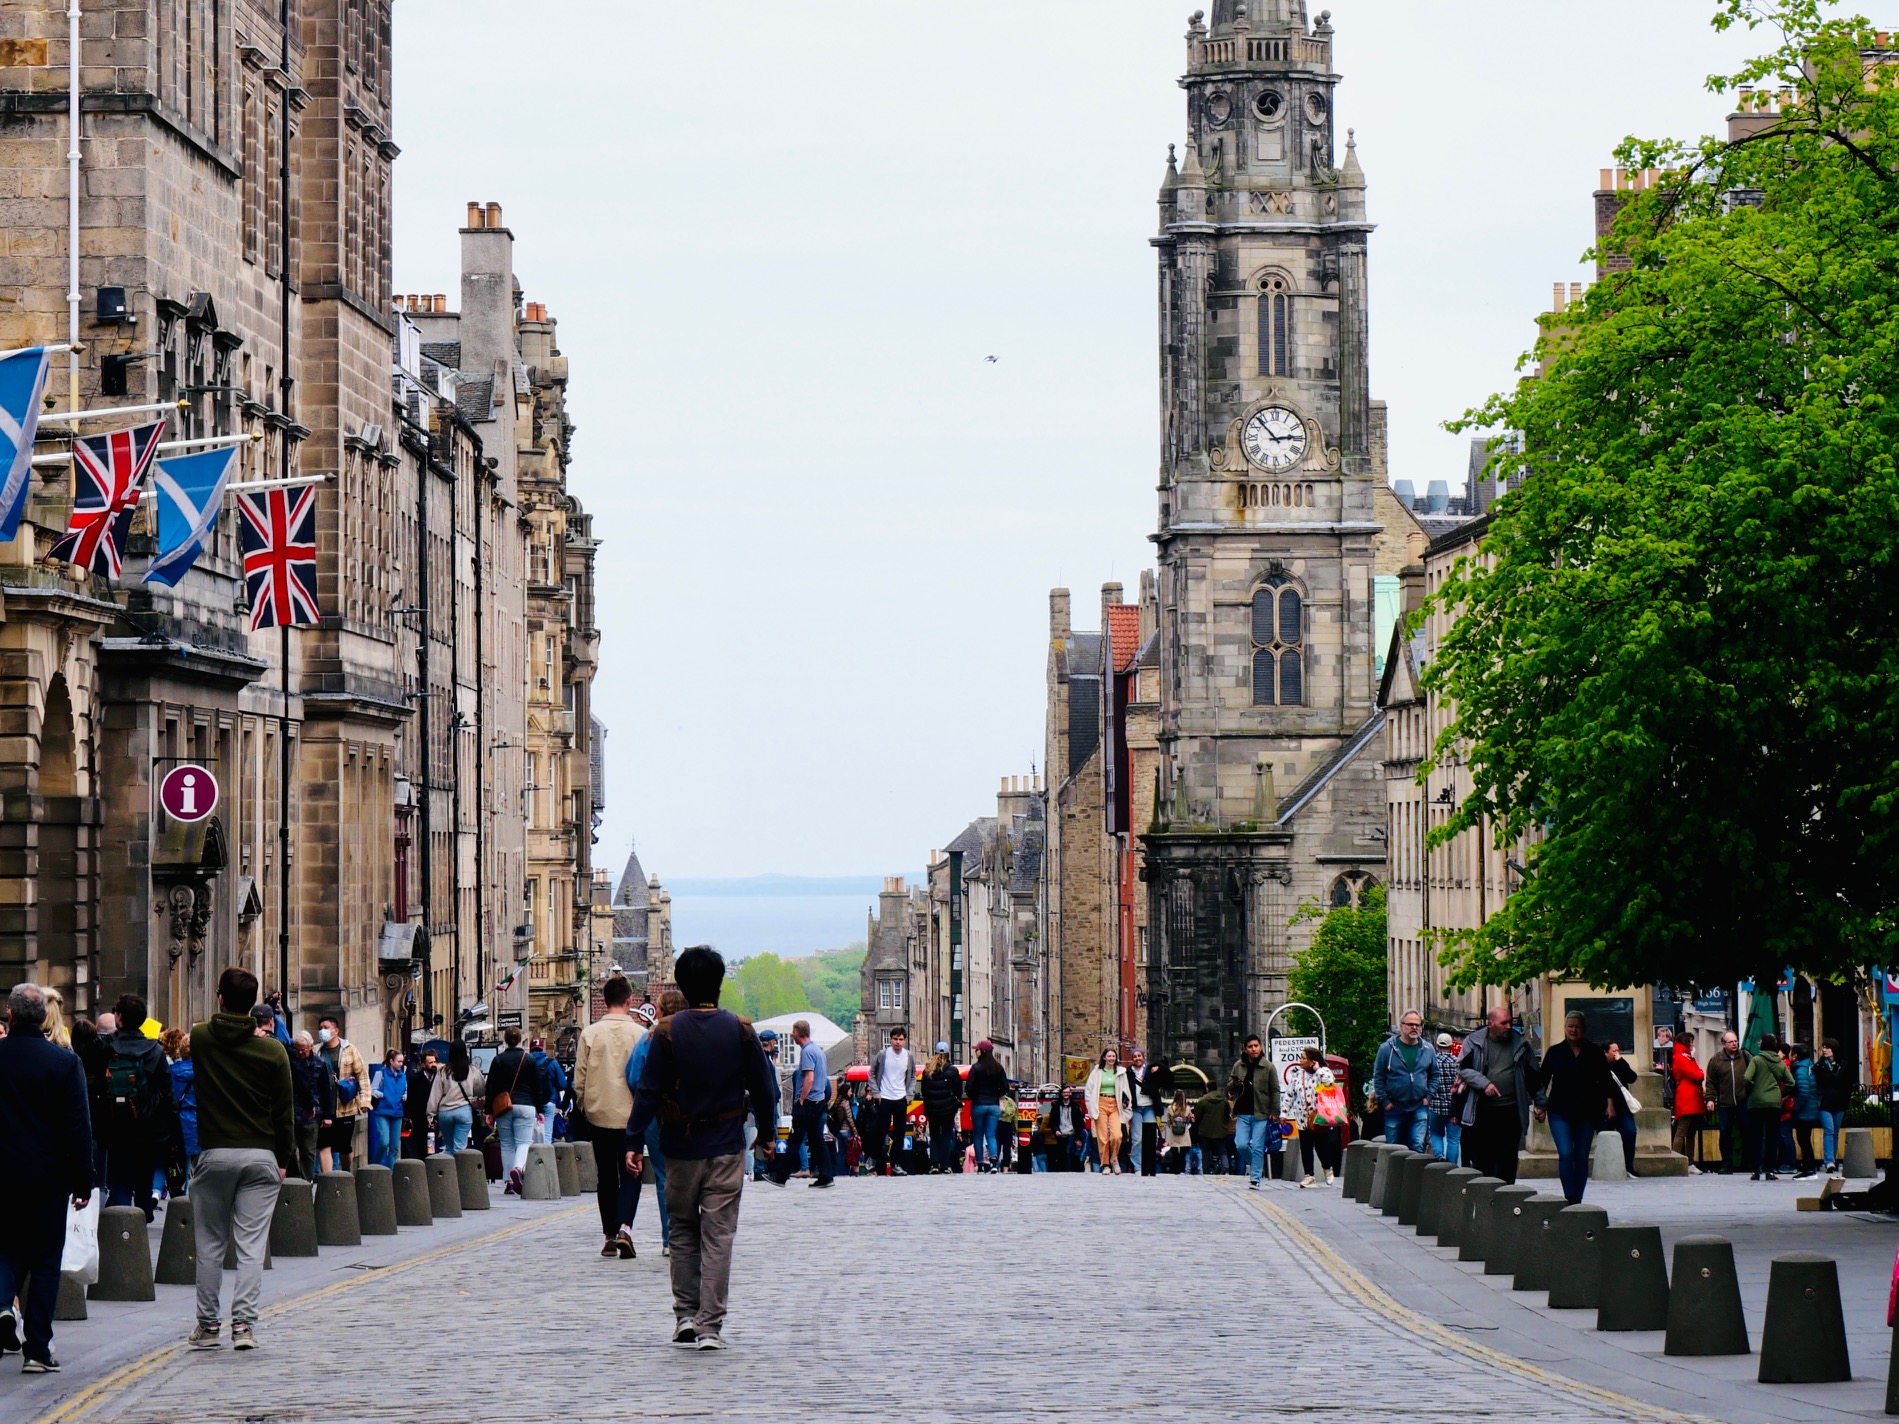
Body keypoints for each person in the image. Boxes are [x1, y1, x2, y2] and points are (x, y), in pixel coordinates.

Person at [625, 944, 778, 1351]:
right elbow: (764, 1090)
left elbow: (648, 1090)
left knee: (682, 1231)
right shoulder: (741, 1030)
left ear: (684, 986)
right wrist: (766, 1133)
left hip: (679, 1146)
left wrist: (633, 1138)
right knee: (719, 1235)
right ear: (720, 984)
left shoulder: (668, 1032)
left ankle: (685, 1315)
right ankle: (710, 1324)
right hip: (727, 1146)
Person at [186, 966, 295, 1353]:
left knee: (210, 1244)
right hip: (262, 1155)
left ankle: (208, 1326)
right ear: (254, 1006)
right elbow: (285, 1112)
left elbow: (201, 1035)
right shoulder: (273, 1051)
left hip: (214, 1153)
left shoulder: (201, 1038)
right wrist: (284, 1159)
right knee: (251, 1247)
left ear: (219, 998)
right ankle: (244, 1325)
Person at [0, 984, 93, 1374]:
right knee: (44, 1261)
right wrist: (84, 1179)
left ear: (10, 1014)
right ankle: (37, 1348)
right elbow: (78, 1125)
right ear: (42, 1019)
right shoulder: (63, 1062)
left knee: (3, 1248)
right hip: (47, 1176)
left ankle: (4, 1304)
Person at [573, 972, 647, 1257]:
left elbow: (579, 1079)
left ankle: (608, 1235)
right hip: (632, 1116)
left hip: (599, 1113)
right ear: (630, 1001)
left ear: (604, 1001)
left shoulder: (590, 1034)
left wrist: (585, 1105)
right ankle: (625, 1228)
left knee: (606, 1176)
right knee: (632, 1172)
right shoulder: (640, 1034)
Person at [100, 993, 177, 1220]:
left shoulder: (106, 1047)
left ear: (119, 1017)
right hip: (148, 1129)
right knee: (144, 1180)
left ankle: (124, 1232)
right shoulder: (155, 1050)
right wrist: (172, 1134)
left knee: (120, 1182)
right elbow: (167, 1095)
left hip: (115, 1127)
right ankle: (140, 1225)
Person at [1538, 1011, 1617, 1203]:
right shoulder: (1555, 1052)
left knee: (1581, 1156)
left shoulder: (1594, 1051)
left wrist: (1610, 1103)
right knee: (1566, 1153)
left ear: (1584, 1029)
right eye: (1570, 1026)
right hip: (1559, 1110)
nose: (1574, 1030)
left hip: (1587, 1111)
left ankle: (1577, 1199)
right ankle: (1569, 1196)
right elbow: (1542, 1079)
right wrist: (1539, 1104)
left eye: (1578, 1026)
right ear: (1565, 1028)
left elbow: (1606, 1079)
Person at [1456, 1004, 1538, 1185]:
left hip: (1510, 1110)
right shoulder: (1474, 1041)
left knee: (1508, 1158)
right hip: (1482, 1110)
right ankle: (1485, 1196)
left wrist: (1540, 1103)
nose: (1509, 1026)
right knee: (1483, 1158)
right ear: (1491, 1023)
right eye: (1504, 1023)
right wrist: (1485, 1084)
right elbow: (1463, 1068)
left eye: (1510, 1022)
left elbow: (1533, 1075)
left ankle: (1505, 1197)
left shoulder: (1520, 1043)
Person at [626, 994, 681, 1253]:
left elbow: (634, 1077)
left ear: (659, 1011)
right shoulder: (692, 1037)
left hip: (656, 1114)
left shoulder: (648, 1039)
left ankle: (670, 1238)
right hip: (689, 1113)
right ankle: (692, 1233)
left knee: (664, 1176)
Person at [771, 1020, 834, 1188]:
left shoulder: (807, 1052)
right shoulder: (818, 1051)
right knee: (817, 1140)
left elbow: (809, 1078)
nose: (792, 1036)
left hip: (808, 1102)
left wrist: (801, 1100)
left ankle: (780, 1176)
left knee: (795, 1139)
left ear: (798, 1033)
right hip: (819, 1102)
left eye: (793, 1033)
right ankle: (827, 1176)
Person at [487, 1027, 544, 1194]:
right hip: (526, 1105)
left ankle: (509, 1183)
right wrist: (539, 1110)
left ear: (505, 1040)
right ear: (520, 1039)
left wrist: (489, 1111)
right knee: (524, 1142)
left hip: (504, 1106)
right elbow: (537, 1087)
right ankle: (518, 1169)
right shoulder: (529, 1059)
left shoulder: (498, 1060)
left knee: (507, 1144)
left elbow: (491, 1086)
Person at [1373, 1009, 1432, 1153]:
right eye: (1410, 1024)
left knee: (1418, 1146)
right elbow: (1378, 1076)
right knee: (1392, 1148)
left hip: (1419, 1105)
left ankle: (1415, 1176)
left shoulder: (1427, 1049)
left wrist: (1429, 1096)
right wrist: (1385, 1101)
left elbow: (1435, 1075)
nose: (1414, 1028)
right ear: (1401, 1026)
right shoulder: (1387, 1049)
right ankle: (1393, 1176)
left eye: (1417, 1025)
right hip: (1394, 1107)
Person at [1227, 1035, 1281, 1189]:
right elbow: (1228, 1088)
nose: (1253, 1049)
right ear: (1245, 1049)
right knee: (1241, 1144)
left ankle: (1255, 1178)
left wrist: (1275, 1111)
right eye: (1250, 1046)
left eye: (1256, 1046)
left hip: (1261, 1112)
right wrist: (1234, 1084)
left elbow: (1275, 1090)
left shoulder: (1268, 1067)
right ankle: (1257, 1165)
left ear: (1261, 1047)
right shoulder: (1239, 1065)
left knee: (1258, 1146)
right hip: (1243, 1112)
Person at [314, 1015, 367, 1172]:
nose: (322, 1031)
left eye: (325, 1028)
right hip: (325, 1108)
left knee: (344, 1147)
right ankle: (328, 1180)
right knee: (324, 1145)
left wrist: (364, 1100)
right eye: (320, 1028)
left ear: (335, 1031)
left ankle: (345, 1173)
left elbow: (362, 1075)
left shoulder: (350, 1050)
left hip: (346, 1106)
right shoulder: (316, 1051)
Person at [1742, 1033, 1794, 1181]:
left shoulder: (1756, 1060)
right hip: (1774, 1103)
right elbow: (1791, 1082)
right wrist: (1780, 1092)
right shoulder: (1779, 1062)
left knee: (1756, 1137)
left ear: (1763, 1044)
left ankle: (1756, 1171)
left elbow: (1746, 1078)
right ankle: (1770, 1171)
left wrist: (1752, 1088)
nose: (1758, 1042)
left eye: (1760, 1041)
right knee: (1772, 1137)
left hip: (1756, 1103)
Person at [866, 1028, 915, 1176]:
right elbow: (872, 1073)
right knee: (881, 1131)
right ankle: (873, 1157)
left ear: (904, 1040)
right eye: (895, 1039)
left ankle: (896, 1164)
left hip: (900, 1097)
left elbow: (912, 1075)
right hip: (885, 1097)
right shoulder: (883, 1054)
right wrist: (876, 1092)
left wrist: (909, 1093)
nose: (898, 1042)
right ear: (891, 1040)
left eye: (900, 1039)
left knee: (900, 1133)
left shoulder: (909, 1056)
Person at [288, 1031, 336, 1180]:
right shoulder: (290, 1061)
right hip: (291, 1113)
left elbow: (326, 1090)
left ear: (310, 1047)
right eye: (298, 1048)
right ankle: (295, 1178)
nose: (301, 1052)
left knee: (308, 1151)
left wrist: (328, 1115)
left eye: (304, 1048)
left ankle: (306, 1181)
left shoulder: (320, 1064)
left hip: (312, 1114)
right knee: (290, 1148)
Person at [427, 1041, 484, 1157]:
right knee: (460, 1147)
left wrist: (430, 1114)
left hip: (445, 1113)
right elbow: (481, 1090)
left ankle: (448, 1173)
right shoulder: (472, 1070)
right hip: (464, 1111)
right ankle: (459, 1173)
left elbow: (435, 1094)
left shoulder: (443, 1071)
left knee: (448, 1147)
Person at [1703, 1031, 1748, 1174]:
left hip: (1743, 1102)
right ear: (1724, 1044)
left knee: (1748, 1131)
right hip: (1725, 1103)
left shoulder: (1746, 1057)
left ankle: (1748, 1162)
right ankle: (1726, 1163)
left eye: (1735, 1041)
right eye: (1731, 1042)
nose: (1734, 1044)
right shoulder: (1716, 1060)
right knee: (1725, 1134)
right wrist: (1710, 1099)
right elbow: (1710, 1082)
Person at [1666, 1028, 1707, 1171]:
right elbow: (1697, 1075)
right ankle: (1678, 1161)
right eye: (1690, 1041)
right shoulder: (1682, 1057)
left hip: (1692, 1099)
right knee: (1682, 1130)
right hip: (1687, 1099)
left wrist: (1699, 1072)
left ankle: (1689, 1162)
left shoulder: (1685, 1056)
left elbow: (1698, 1073)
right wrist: (1700, 1072)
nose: (1692, 1044)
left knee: (1690, 1132)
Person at [921, 1043, 964, 1174]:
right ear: (948, 1054)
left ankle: (934, 1164)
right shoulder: (951, 1070)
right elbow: (958, 1089)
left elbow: (924, 1090)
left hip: (932, 1108)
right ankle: (945, 1165)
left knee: (934, 1136)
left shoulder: (927, 1070)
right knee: (946, 1136)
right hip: (947, 1108)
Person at [966, 1040, 1008, 1173]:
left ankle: (979, 1164)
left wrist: (974, 1095)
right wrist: (996, 1094)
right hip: (993, 1105)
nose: (975, 1052)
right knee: (991, 1135)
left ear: (982, 1051)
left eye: (977, 1049)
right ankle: (994, 1162)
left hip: (978, 1104)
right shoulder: (998, 1068)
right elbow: (1005, 1087)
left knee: (978, 1135)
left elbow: (968, 1087)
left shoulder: (976, 1068)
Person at [163, 1028, 200, 1180]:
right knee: (198, 1165)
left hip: (177, 1120)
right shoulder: (204, 1072)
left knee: (180, 1162)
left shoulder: (170, 1071)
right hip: (199, 1120)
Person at [1083, 1047, 1126, 1176]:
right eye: (1109, 1056)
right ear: (1104, 1057)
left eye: (1113, 1056)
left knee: (1117, 1136)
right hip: (1100, 1102)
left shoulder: (1120, 1072)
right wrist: (1090, 1106)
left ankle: (1114, 1159)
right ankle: (1105, 1164)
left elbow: (1125, 1090)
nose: (1111, 1058)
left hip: (1115, 1104)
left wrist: (1125, 1102)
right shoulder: (1097, 1072)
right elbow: (1089, 1090)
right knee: (1103, 1137)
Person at [1426, 1032, 1464, 1163]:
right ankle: (1451, 1167)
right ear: (1450, 1046)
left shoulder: (1431, 1062)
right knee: (1453, 1139)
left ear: (1437, 1045)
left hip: (1435, 1106)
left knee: (1436, 1133)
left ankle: (1439, 1155)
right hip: (1453, 1108)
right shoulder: (1457, 1062)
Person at [366, 1048, 407, 1170]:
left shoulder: (403, 1075)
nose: (401, 1064)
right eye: (399, 1061)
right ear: (391, 1061)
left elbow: (405, 1089)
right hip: (383, 1111)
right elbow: (372, 1090)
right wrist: (382, 1094)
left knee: (394, 1147)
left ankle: (390, 1173)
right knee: (384, 1142)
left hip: (397, 1112)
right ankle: (376, 1167)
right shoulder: (381, 1074)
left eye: (402, 1061)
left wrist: (405, 1096)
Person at [1123, 1047, 1161, 1175]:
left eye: (1139, 1056)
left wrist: (1159, 1068)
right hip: (1136, 1108)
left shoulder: (1150, 1070)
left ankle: (1149, 1165)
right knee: (1137, 1139)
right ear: (1132, 1059)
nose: (1137, 1058)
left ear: (1143, 1057)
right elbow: (1124, 1089)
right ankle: (1138, 1166)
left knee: (1152, 1138)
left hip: (1149, 1106)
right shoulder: (1128, 1072)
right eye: (1134, 1056)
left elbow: (1167, 1074)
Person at [1785, 1043, 1821, 1179]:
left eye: (1791, 1053)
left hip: (1804, 1112)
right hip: (1810, 1110)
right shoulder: (1809, 1066)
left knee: (1803, 1140)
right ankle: (1809, 1168)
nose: (1789, 1056)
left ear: (1795, 1056)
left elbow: (1803, 1091)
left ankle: (1809, 1169)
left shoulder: (1800, 1070)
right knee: (1805, 1140)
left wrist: (1795, 1108)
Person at [1604, 1041, 1640, 1176]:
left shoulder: (1619, 1064)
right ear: (1605, 1052)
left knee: (1630, 1132)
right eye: (1614, 1051)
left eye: (1618, 1050)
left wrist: (1621, 1061)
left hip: (1622, 1107)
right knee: (1604, 1135)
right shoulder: (1598, 1066)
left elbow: (1632, 1077)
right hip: (1604, 1108)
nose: (1617, 1053)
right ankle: (1607, 1166)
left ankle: (1628, 1166)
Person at [1815, 1038, 1850, 1175]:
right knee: (1829, 1130)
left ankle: (1833, 1160)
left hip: (1839, 1103)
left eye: (1827, 1047)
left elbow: (1847, 1085)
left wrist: (1846, 1101)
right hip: (1825, 1103)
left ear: (1834, 1049)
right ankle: (1829, 1161)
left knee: (1835, 1132)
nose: (1824, 1050)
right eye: (1823, 1047)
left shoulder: (1843, 1065)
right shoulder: (1819, 1066)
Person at [528, 1037, 569, 1146]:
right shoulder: (552, 1063)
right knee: (546, 1134)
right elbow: (563, 1084)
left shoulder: (526, 1063)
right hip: (549, 1101)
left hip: (530, 1103)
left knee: (530, 1134)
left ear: (530, 1048)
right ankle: (546, 1158)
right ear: (542, 1048)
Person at [402, 1049, 437, 1160]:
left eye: (434, 1062)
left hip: (433, 1119)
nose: (433, 1065)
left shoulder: (438, 1078)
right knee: (417, 1147)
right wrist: (408, 1116)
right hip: (418, 1118)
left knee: (432, 1148)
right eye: (430, 1063)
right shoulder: (415, 1078)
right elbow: (410, 1099)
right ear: (423, 1064)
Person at [1192, 1084, 1231, 1175]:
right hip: (1220, 1131)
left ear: (1207, 1088)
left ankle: (1206, 1172)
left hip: (1205, 1131)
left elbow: (1197, 1116)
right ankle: (1226, 1168)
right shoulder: (1224, 1100)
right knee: (1222, 1151)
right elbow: (1227, 1115)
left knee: (1206, 1153)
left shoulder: (1203, 1101)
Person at [1162, 1090, 1196, 1173]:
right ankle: (1181, 1170)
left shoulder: (1170, 1108)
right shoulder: (1187, 1108)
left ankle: (1175, 1170)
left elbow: (1169, 1122)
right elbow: (1189, 1121)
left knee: (1174, 1153)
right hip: (1184, 1133)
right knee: (1183, 1154)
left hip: (1174, 1133)